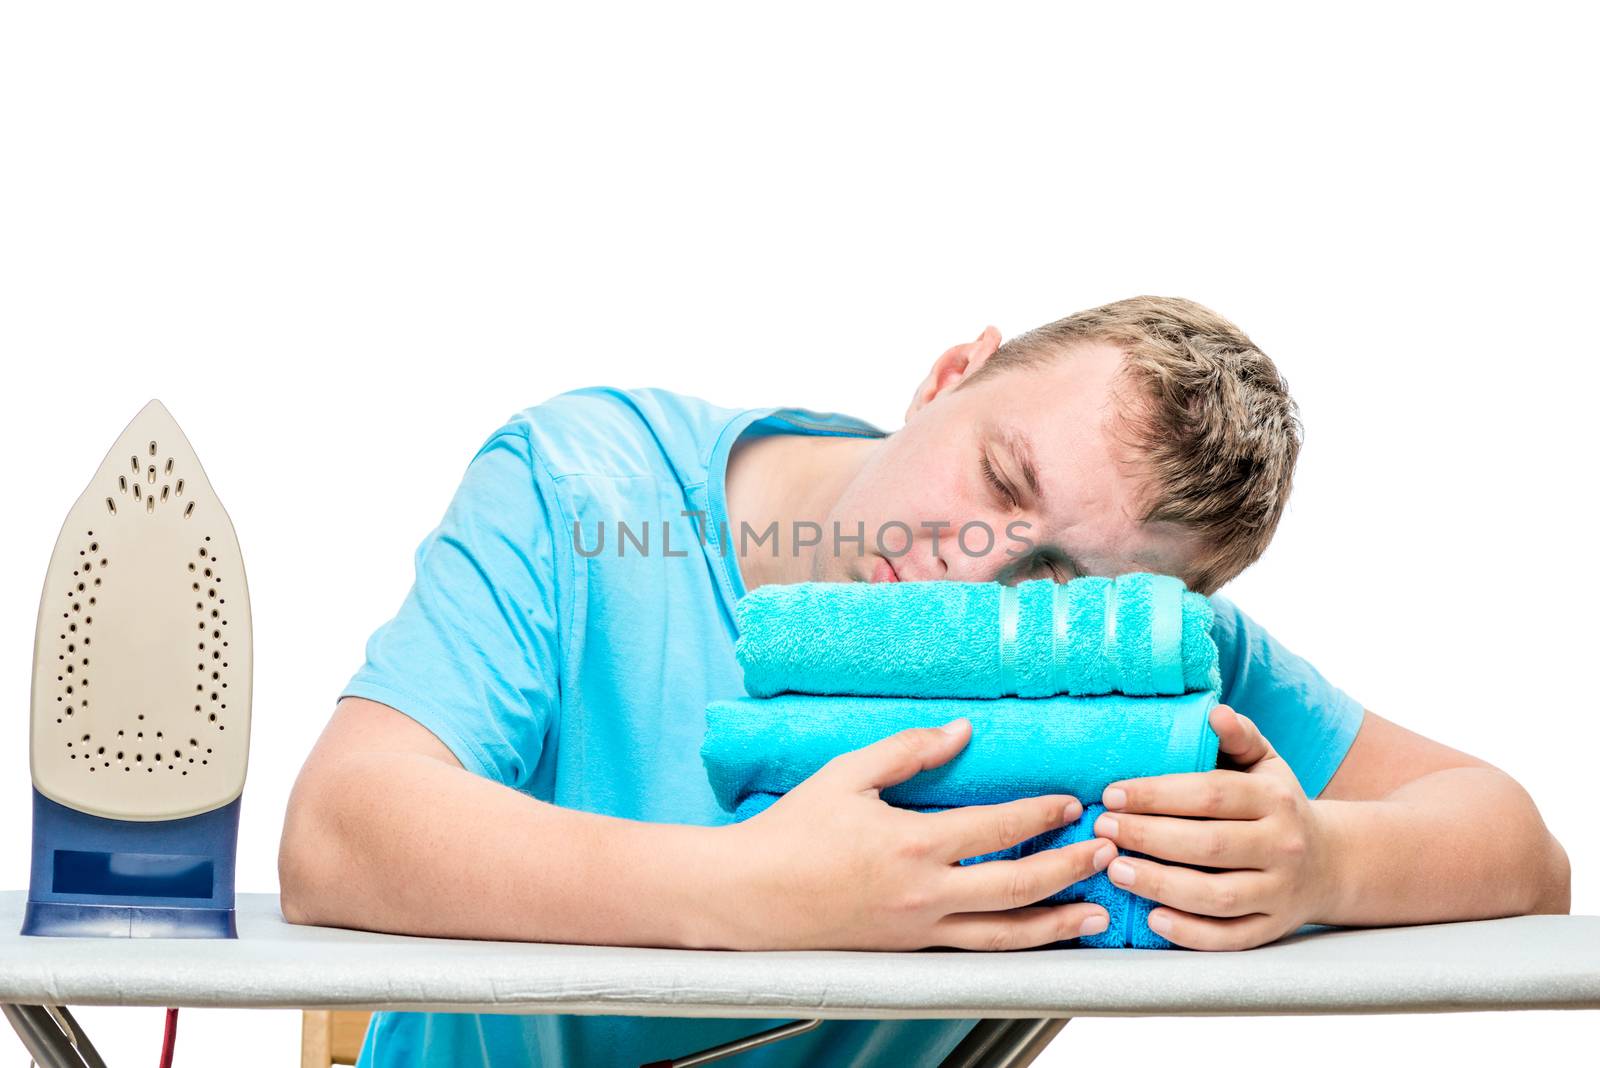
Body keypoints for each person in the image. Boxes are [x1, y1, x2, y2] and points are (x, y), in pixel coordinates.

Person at [278, 296, 1571, 1067]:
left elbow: (1517, 847)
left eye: (1062, 577)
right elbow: (339, 833)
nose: (974, 568)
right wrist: (751, 895)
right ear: (951, 374)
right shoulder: (588, 495)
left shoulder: (1127, 666)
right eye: (1002, 479)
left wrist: (1323, 864)